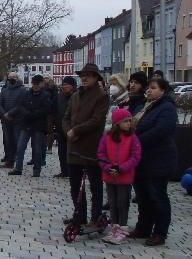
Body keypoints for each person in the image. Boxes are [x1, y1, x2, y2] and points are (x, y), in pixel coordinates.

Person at [62, 63, 110, 233]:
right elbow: (66, 117)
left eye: (88, 75)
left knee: (95, 185)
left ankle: (95, 218)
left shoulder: (101, 96)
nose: (84, 78)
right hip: (73, 144)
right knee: (75, 184)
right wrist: (69, 131)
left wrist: (76, 130)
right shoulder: (75, 95)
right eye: (83, 75)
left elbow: (97, 120)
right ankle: (79, 215)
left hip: (91, 145)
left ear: (96, 77)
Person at [130, 78, 177, 246]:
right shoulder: (144, 107)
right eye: (148, 88)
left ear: (163, 91)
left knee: (157, 197)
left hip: (159, 160)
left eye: (153, 88)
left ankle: (160, 232)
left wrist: (135, 142)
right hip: (141, 160)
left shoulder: (167, 108)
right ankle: (143, 228)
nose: (149, 90)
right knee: (143, 197)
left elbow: (160, 131)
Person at [97, 108, 142, 245]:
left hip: (124, 177)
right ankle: (114, 227)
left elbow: (135, 156)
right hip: (110, 176)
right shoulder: (107, 138)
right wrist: (107, 167)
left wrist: (121, 168)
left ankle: (122, 228)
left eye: (130, 121)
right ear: (117, 123)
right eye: (125, 121)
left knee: (122, 202)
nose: (129, 124)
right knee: (113, 203)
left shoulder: (133, 138)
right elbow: (101, 155)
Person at [9, 74, 52, 177]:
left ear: (42, 84)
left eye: (37, 84)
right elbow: (21, 105)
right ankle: (18, 168)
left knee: (37, 149)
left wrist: (32, 114)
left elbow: (45, 110)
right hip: (26, 124)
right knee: (20, 147)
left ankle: (37, 170)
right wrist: (27, 113)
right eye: (34, 84)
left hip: (38, 126)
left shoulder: (45, 95)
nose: (35, 86)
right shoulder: (27, 94)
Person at [0, 72, 27, 168]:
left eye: (13, 77)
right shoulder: (5, 89)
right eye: (10, 77)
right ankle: (9, 161)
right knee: (8, 141)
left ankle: (18, 163)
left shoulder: (22, 90)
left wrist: (9, 113)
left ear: (17, 78)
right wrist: (4, 114)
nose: (12, 79)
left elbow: (21, 104)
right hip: (6, 120)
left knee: (17, 141)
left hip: (17, 120)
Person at [53, 76, 77, 178]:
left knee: (72, 152)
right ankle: (64, 171)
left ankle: (73, 171)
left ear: (72, 86)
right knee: (61, 152)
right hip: (60, 128)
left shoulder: (77, 96)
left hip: (72, 129)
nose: (64, 87)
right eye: (63, 85)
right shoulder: (59, 96)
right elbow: (55, 110)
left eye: (66, 85)